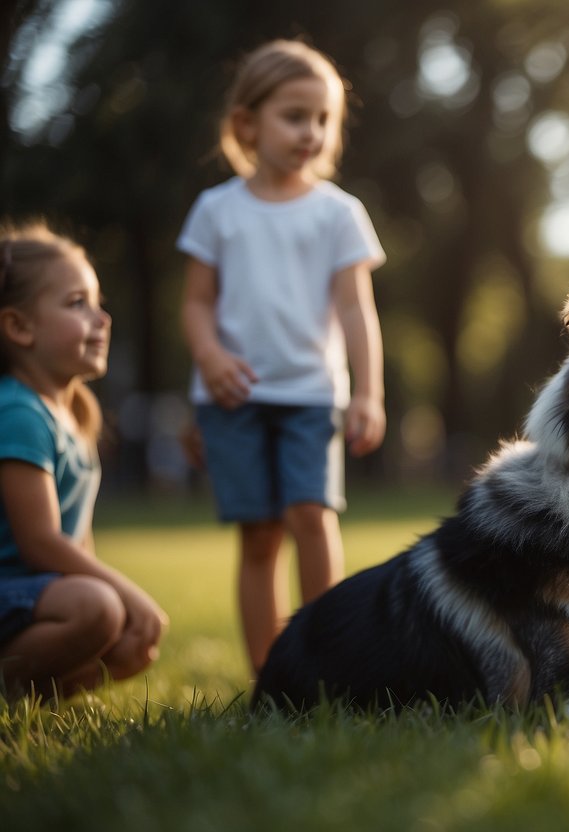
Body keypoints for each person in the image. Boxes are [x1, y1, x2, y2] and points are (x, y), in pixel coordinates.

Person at [179, 39, 386, 675]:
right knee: (259, 535)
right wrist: (210, 357)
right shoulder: (217, 210)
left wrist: (368, 394)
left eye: (323, 119)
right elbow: (194, 302)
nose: (312, 132)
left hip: (311, 396)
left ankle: (325, 668)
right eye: (295, 116)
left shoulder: (339, 214)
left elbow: (357, 311)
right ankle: (271, 678)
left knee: (311, 516)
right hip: (234, 397)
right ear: (247, 123)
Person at [0, 222, 167, 699]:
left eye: (98, 301)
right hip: (13, 588)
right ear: (19, 326)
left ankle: (38, 696)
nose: (102, 318)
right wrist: (125, 594)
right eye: (77, 303)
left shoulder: (74, 413)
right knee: (100, 608)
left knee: (125, 637)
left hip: (41, 596)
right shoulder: (18, 411)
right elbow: (41, 543)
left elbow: (79, 543)